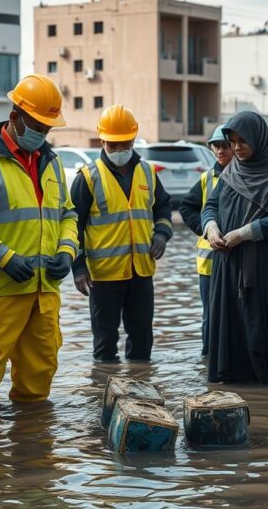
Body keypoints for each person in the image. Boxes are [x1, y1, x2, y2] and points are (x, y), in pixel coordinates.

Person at [0, 74, 78, 410]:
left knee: (39, 381)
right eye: (37, 125)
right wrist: (4, 258)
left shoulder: (52, 162)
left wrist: (66, 252)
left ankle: (32, 455)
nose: (42, 134)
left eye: (47, 129)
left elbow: (67, 215)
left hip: (44, 291)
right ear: (15, 117)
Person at [202, 111, 268, 384]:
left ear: (258, 139)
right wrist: (211, 227)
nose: (236, 148)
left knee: (263, 331)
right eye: (232, 142)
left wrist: (243, 234)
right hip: (229, 266)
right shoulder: (231, 171)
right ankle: (235, 384)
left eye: (242, 142)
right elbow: (211, 205)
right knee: (231, 330)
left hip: (266, 272)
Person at [70, 105, 173, 363]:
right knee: (105, 345)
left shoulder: (147, 173)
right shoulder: (88, 177)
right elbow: (72, 227)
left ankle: (140, 392)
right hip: (103, 276)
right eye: (112, 145)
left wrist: (161, 234)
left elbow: (163, 207)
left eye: (124, 144)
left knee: (142, 341)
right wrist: (78, 268)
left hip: (141, 272)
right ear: (102, 141)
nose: (118, 150)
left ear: (133, 140)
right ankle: (105, 393)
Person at [179, 123, 233, 356]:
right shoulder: (206, 179)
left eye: (225, 146)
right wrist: (205, 229)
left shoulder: (247, 175)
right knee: (211, 317)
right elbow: (187, 207)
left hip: (235, 262)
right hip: (209, 264)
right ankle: (208, 360)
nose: (220, 151)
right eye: (216, 147)